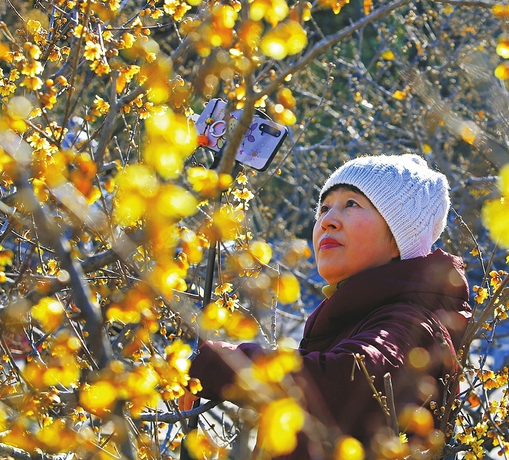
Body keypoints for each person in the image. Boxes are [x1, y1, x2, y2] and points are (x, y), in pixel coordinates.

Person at [185, 154, 472, 458]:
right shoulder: (360, 312)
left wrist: (218, 364)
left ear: (400, 237)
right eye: (324, 208)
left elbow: (348, 383)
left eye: (351, 204)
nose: (327, 220)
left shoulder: (412, 320)